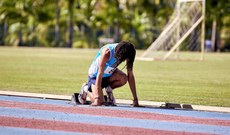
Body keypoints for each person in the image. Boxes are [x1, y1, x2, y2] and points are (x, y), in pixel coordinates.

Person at [78, 41, 139, 106]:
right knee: (100, 103)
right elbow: (99, 74)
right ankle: (86, 88)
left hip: (108, 76)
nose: (124, 61)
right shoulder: (107, 53)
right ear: (121, 53)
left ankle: (108, 88)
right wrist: (97, 98)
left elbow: (130, 76)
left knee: (123, 78)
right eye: (124, 58)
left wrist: (135, 99)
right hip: (95, 77)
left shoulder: (128, 52)